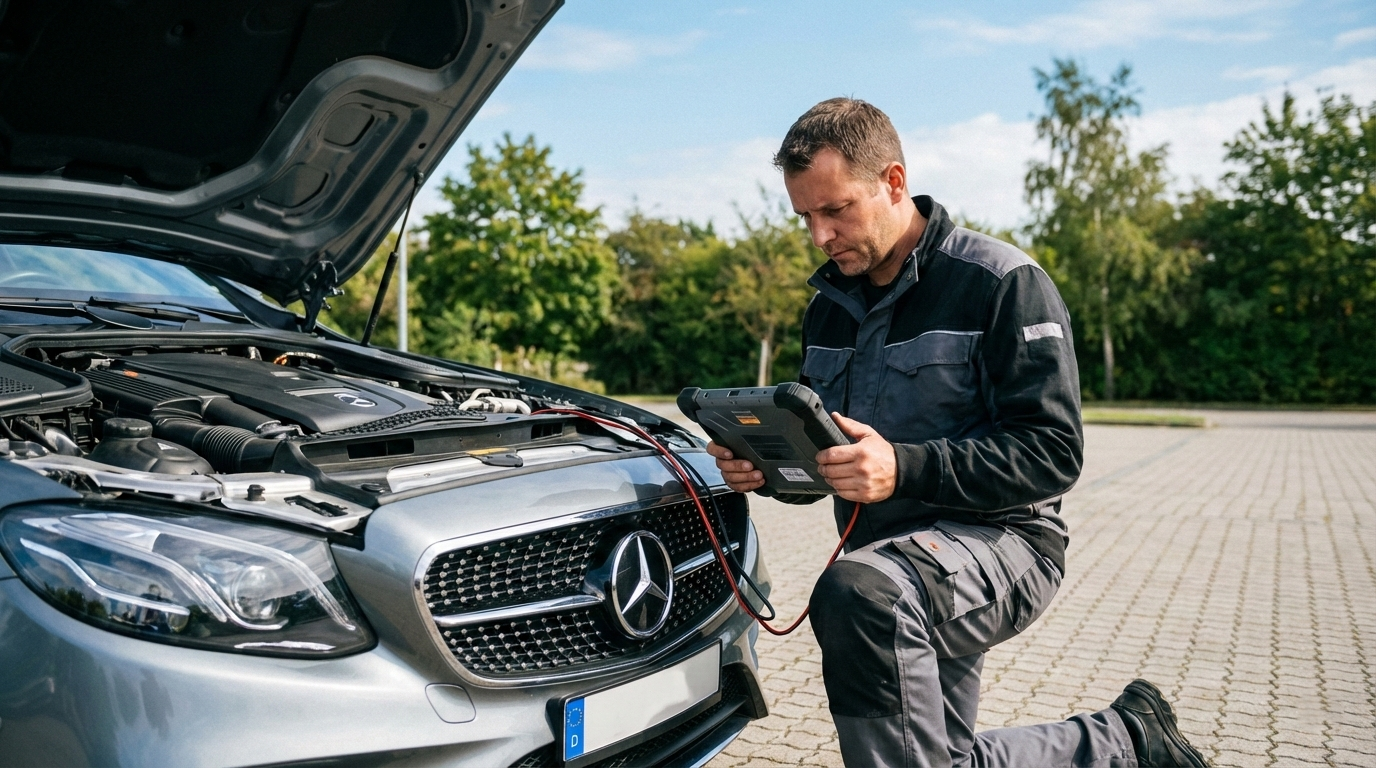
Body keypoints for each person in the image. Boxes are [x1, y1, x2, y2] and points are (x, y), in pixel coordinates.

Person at [706, 98, 1208, 768]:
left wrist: (904, 469)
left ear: (892, 182)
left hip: (1004, 544)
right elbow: (832, 458)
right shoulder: (826, 312)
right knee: (935, 756)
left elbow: (1053, 452)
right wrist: (768, 472)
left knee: (859, 597)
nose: (819, 237)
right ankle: (1128, 739)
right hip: (891, 560)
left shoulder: (1001, 283)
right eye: (805, 216)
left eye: (836, 211)